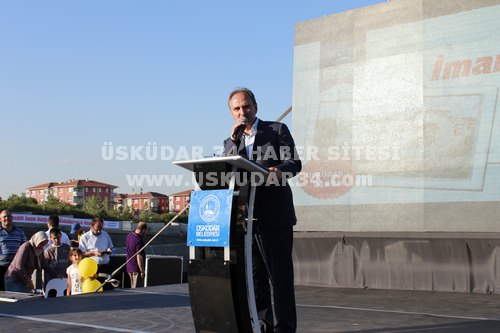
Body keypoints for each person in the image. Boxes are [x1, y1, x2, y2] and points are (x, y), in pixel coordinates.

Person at [223, 88, 302, 333]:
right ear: (232, 113)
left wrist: (279, 171)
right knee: (256, 280)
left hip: (274, 216)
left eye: (246, 107)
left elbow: (294, 163)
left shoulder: (277, 130)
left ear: (255, 107)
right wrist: (234, 142)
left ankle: (285, 328)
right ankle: (265, 325)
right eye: (236, 109)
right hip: (246, 220)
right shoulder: (230, 142)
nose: (242, 112)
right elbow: (227, 172)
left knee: (280, 278)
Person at [79, 216, 114, 289]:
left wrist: (108, 251)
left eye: (101, 227)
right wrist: (93, 253)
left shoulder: (105, 234)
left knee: (107, 288)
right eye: (98, 227)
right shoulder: (85, 237)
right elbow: (81, 253)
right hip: (93, 268)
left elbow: (110, 247)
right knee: (95, 288)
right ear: (92, 225)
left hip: (106, 266)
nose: (99, 230)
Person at [0, 209, 27, 291]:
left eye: (8, 216)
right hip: (1, 267)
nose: (7, 218)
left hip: (15, 268)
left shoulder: (20, 232)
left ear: (12, 218)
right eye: (4, 217)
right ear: (0, 219)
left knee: (14, 293)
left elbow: (25, 248)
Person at [126, 221, 148, 288]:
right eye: (146, 231)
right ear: (143, 230)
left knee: (132, 288)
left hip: (129, 267)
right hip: (136, 269)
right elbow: (139, 257)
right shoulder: (139, 241)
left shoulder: (129, 235)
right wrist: (142, 271)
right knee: (137, 290)